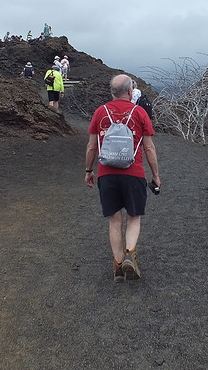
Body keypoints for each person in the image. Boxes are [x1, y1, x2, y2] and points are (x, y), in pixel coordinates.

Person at [84, 74, 161, 282]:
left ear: (112, 92)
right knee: (134, 217)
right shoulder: (140, 113)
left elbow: (92, 146)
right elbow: (149, 147)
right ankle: (130, 253)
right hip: (133, 174)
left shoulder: (100, 112)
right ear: (130, 91)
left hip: (107, 174)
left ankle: (118, 265)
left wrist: (88, 170)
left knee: (115, 219)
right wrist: (155, 175)